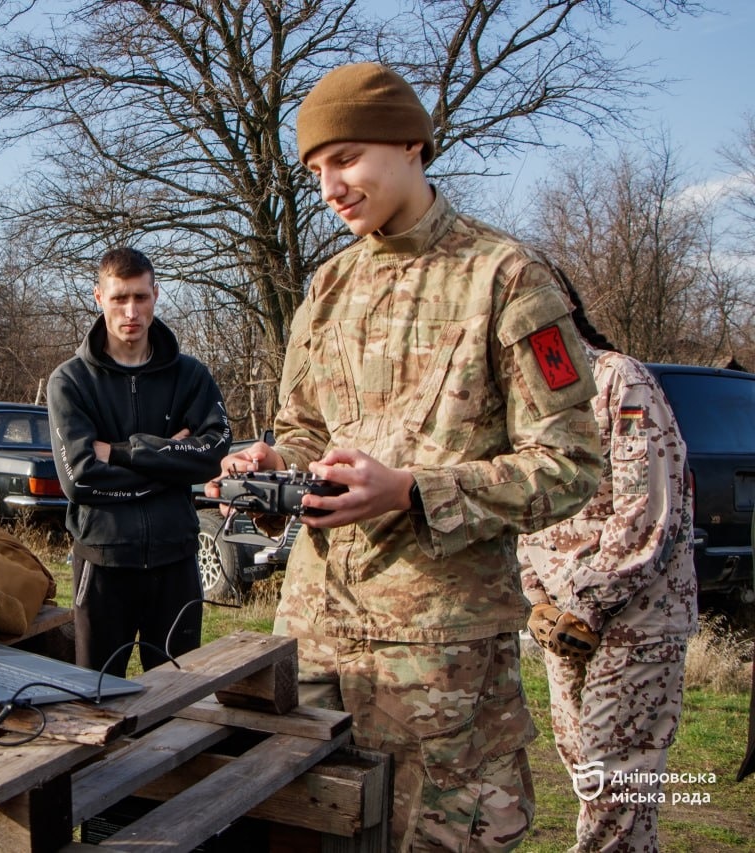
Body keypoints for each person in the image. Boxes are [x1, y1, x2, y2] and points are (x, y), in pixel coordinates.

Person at [208, 63, 602, 850]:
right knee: (296, 829)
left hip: (440, 668)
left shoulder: (507, 278)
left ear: (411, 143)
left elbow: (572, 466)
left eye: (346, 157)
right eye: (317, 171)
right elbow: (306, 427)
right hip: (316, 639)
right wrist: (271, 465)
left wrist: (413, 491)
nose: (330, 187)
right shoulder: (327, 286)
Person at [518, 282, 696, 853]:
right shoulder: (528, 403)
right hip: (563, 624)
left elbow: (647, 511)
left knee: (615, 787)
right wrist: (537, 601)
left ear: (564, 309)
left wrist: (587, 604)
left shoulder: (620, 379)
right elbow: (527, 512)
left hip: (633, 622)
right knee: (589, 777)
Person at [47, 247, 231, 677]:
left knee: (177, 701)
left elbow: (214, 452)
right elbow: (80, 479)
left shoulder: (191, 376)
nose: (131, 311)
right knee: (97, 698)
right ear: (98, 297)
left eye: (141, 297)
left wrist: (126, 452)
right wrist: (170, 463)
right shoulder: (70, 381)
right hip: (103, 564)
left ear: (156, 295)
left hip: (176, 563)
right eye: (119, 298)